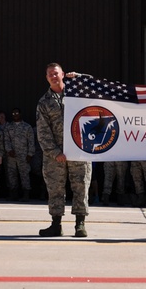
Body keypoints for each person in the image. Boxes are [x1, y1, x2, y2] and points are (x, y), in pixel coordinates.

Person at [36, 63, 92, 238]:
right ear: (47, 78)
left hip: (80, 150)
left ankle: (80, 224)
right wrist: (55, 152)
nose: (53, 76)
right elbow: (43, 131)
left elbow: (95, 86)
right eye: (50, 74)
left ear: (63, 74)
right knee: (55, 188)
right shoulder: (44, 102)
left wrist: (80, 77)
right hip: (55, 155)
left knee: (81, 186)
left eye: (56, 73)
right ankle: (56, 225)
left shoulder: (78, 93)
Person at [3, 108, 35, 201]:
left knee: (24, 174)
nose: (15, 114)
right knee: (11, 174)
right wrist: (9, 150)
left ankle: (26, 194)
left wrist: (30, 154)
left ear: (20, 114)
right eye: (13, 113)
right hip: (11, 155)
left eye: (17, 113)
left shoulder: (27, 127)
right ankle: (13, 194)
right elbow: (6, 140)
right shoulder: (8, 127)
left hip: (24, 155)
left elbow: (31, 141)